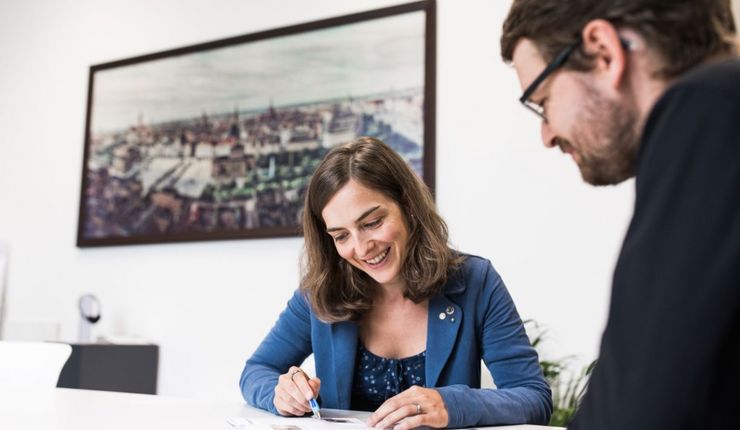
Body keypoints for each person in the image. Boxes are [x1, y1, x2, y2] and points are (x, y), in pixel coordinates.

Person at [500, 0, 740, 428]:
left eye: (543, 99)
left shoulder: (706, 109)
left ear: (603, 50)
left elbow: (641, 408)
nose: (547, 134)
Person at [240, 137, 552, 428]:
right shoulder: (320, 291)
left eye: (372, 223)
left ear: (408, 205)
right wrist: (280, 393)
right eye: (341, 236)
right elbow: (257, 371)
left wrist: (452, 404)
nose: (362, 249)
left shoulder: (475, 282)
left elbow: (534, 396)